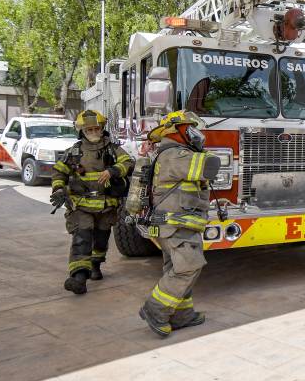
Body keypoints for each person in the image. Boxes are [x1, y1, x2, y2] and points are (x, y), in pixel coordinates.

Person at [138, 110, 221, 337]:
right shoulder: (176, 155)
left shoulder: (169, 154)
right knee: (189, 267)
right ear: (175, 130)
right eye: (189, 128)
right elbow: (212, 166)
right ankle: (155, 309)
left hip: (172, 225)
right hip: (177, 226)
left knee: (176, 268)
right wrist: (200, 149)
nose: (196, 132)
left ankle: (182, 314)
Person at [50, 110, 134, 294]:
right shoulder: (74, 152)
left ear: (102, 128)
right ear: (82, 131)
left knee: (101, 238)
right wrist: (58, 189)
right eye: (89, 129)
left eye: (97, 128)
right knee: (82, 236)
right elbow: (59, 172)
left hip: (106, 205)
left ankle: (95, 265)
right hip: (80, 204)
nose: (94, 131)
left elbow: (128, 162)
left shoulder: (112, 149)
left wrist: (113, 171)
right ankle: (79, 277)